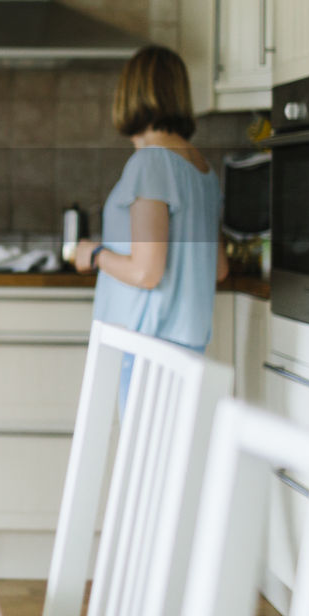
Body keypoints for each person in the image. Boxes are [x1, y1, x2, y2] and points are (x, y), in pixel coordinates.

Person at [73, 45, 229, 409]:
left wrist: (93, 254)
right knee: (172, 462)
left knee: (144, 463)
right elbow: (218, 269)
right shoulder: (202, 169)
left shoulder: (150, 163)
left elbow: (146, 272)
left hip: (147, 347)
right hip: (188, 347)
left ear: (131, 94)